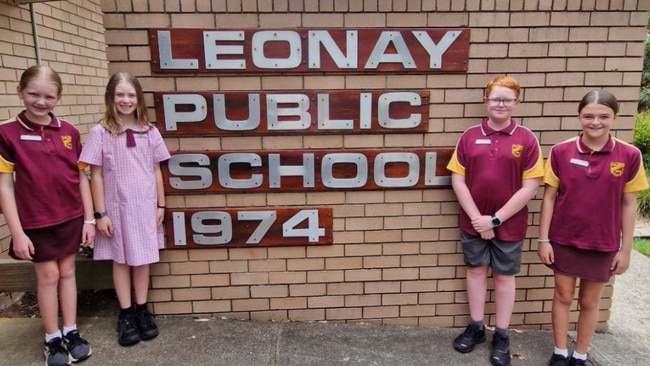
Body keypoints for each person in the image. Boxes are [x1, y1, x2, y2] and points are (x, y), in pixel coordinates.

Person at [538, 90, 648, 366]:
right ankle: (560, 351)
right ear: (579, 117)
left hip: (603, 242)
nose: (595, 122)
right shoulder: (561, 152)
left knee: (589, 301)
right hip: (564, 238)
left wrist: (626, 249)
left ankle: (581, 354)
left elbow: (628, 204)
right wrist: (543, 239)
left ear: (615, 118)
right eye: (588, 116)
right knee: (563, 295)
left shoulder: (630, 155)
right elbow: (550, 197)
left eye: (603, 116)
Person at [0, 65, 95, 366]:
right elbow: (4, 186)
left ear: (58, 97)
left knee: (68, 273)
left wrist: (89, 219)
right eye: (33, 94)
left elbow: (81, 178)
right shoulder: (7, 133)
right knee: (48, 276)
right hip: (36, 221)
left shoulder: (68, 131)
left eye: (48, 96)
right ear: (20, 92)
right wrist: (17, 232)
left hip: (70, 217)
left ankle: (71, 331)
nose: (40, 102)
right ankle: (52, 338)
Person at [447, 76, 544, 366]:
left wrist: (496, 220)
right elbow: (457, 178)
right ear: (485, 101)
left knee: (504, 277)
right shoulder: (468, 136)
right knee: (476, 271)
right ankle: (476, 327)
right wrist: (479, 219)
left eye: (508, 99)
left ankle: (501, 334)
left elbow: (531, 186)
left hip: (510, 224)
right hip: (473, 222)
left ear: (517, 102)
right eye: (496, 99)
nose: (501, 104)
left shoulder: (527, 139)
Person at [79, 72, 171, 347]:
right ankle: (126, 313)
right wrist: (100, 214)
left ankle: (142, 310)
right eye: (120, 94)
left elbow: (156, 169)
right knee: (120, 260)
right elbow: (94, 175)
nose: (126, 100)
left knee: (142, 259)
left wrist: (161, 204)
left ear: (139, 99)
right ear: (111, 97)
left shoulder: (149, 131)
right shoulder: (101, 132)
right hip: (116, 210)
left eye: (131, 95)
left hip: (144, 207)